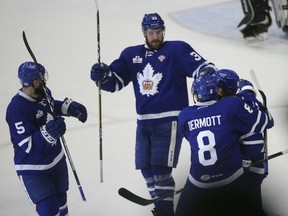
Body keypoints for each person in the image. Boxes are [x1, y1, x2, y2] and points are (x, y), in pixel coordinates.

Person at [90, 13, 216, 216]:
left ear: (163, 31)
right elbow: (114, 83)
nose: (155, 36)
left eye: (158, 32)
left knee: (160, 169)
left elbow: (205, 67)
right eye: (151, 33)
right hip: (144, 123)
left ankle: (165, 211)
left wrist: (205, 76)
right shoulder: (131, 54)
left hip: (171, 120)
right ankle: (161, 205)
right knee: (146, 169)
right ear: (144, 33)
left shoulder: (176, 49)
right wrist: (101, 76)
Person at [176, 69, 274, 216]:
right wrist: (249, 96)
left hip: (198, 182)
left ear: (195, 95)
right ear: (217, 91)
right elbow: (268, 120)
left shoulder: (184, 115)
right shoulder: (232, 106)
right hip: (233, 179)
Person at [6, 62, 87, 216]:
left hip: (56, 160)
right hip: (33, 169)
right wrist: (49, 132)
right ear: (34, 81)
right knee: (48, 209)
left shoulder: (43, 92)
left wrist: (67, 107)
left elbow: (49, 106)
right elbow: (27, 145)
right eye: (41, 78)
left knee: (62, 202)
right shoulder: (16, 108)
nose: (44, 81)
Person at [237, 79, 273, 216]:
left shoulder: (237, 103)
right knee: (254, 190)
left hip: (244, 157)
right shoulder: (257, 104)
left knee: (241, 193)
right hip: (259, 158)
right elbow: (270, 122)